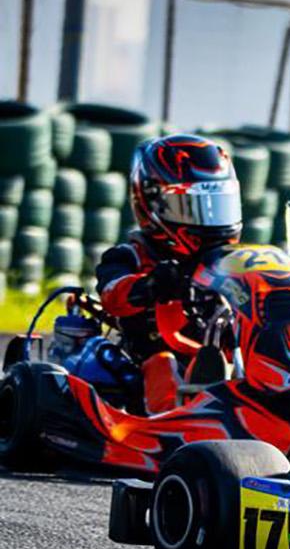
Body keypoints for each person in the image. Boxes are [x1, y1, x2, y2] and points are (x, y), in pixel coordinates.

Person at [96, 134, 243, 414]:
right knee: (165, 366)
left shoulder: (232, 261)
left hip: (220, 357)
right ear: (151, 204)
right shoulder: (131, 256)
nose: (209, 219)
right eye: (193, 207)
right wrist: (151, 285)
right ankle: (174, 434)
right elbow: (112, 294)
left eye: (217, 205)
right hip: (153, 359)